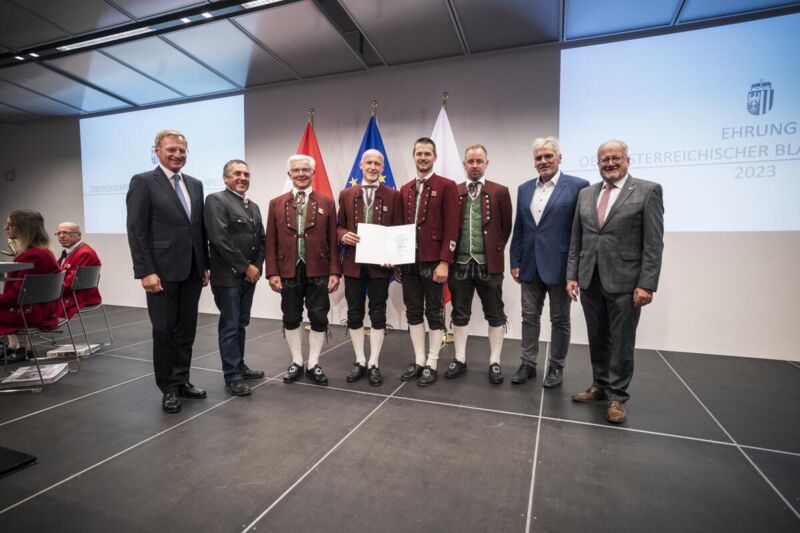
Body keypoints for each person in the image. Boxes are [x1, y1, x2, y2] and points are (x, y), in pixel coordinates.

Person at [566, 139, 664, 423]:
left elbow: (653, 243)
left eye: (616, 158)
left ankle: (617, 397)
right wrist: (572, 275)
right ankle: (599, 385)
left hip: (626, 282)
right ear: (598, 164)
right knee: (597, 337)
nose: (610, 163)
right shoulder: (586, 194)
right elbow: (577, 239)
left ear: (627, 160)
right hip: (590, 278)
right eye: (604, 159)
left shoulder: (647, 191)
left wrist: (647, 284)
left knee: (621, 342)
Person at [126, 130, 210, 414]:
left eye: (182, 150)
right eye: (172, 149)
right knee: (164, 332)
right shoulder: (143, 182)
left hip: (192, 270)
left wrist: (204, 264)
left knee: (186, 330)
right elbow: (136, 230)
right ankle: (168, 388)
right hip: (160, 272)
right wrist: (145, 271)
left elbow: (198, 229)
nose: (177, 155)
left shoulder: (195, 184)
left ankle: (182, 380)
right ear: (157, 151)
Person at [509, 137, 589, 388]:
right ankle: (528, 364)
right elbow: (520, 228)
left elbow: (580, 231)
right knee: (529, 318)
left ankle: (556, 367)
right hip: (529, 265)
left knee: (560, 320)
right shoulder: (524, 189)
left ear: (559, 158)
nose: (543, 161)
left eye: (548, 156)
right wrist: (515, 260)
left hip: (561, 267)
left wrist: (575, 270)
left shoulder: (578, 186)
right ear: (534, 162)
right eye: (539, 158)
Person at [265, 154, 340, 386]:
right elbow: (271, 241)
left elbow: (332, 240)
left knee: (319, 316)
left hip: (319, 268)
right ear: (289, 174)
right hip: (288, 269)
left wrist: (334, 271)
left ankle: (314, 363)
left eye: (305, 170)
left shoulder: (327, 202)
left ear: (313, 173)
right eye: (296, 170)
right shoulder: (276, 203)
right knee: (290, 316)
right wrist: (272, 272)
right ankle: (297, 361)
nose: (301, 174)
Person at [445, 144, 512, 384]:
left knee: (495, 313)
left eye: (479, 161)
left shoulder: (500, 191)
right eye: (470, 162)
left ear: (486, 163)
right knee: (460, 312)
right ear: (464, 165)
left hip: (488, 264)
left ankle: (494, 361)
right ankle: (460, 358)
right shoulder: (454, 191)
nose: (475, 166)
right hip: (459, 263)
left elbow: (506, 227)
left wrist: (493, 251)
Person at [337, 149, 403, 386]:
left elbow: (398, 230)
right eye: (369, 163)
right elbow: (338, 226)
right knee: (354, 312)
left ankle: (374, 362)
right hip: (352, 265)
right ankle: (360, 360)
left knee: (378, 312)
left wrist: (393, 257)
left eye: (377, 164)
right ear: (361, 165)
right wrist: (343, 235)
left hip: (380, 267)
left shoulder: (394, 196)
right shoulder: (346, 194)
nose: (373, 167)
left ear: (382, 168)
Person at [398, 137, 459, 386]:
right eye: (419, 154)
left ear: (435, 157)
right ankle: (419, 360)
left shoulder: (447, 186)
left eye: (427, 154)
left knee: (434, 312)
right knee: (413, 312)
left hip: (434, 262)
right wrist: (396, 259)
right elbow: (399, 227)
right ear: (413, 157)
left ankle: (432, 362)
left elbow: (452, 227)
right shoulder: (405, 189)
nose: (423, 158)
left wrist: (445, 261)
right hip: (408, 262)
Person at [204, 160, 266, 397]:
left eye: (246, 174)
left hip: (248, 277)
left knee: (241, 323)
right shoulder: (216, 200)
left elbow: (261, 240)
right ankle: (233, 376)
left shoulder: (253, 206)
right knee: (230, 326)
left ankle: (239, 366)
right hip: (228, 277)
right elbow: (219, 239)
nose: (243, 178)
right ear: (225, 178)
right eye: (237, 173)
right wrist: (245, 267)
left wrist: (256, 267)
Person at [1, 210, 60, 362]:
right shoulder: (43, 252)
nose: (6, 228)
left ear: (23, 228)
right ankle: (16, 347)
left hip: (32, 312)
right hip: (39, 309)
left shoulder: (32, 256)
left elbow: (17, 296)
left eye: (10, 225)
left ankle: (18, 348)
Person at [55, 222, 101, 318]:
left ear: (78, 236)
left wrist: (49, 288)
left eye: (66, 232)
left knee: (36, 304)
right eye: (58, 233)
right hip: (71, 293)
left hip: (78, 296)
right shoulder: (73, 251)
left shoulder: (84, 253)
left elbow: (71, 283)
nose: (61, 236)